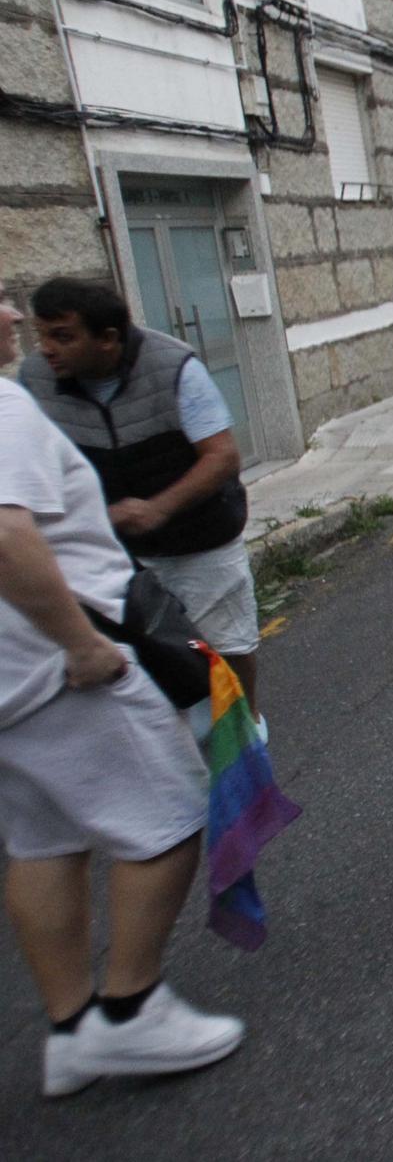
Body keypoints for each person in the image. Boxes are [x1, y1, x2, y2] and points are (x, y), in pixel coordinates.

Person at [0, 276, 244, 1098]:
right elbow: (6, 533)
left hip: (8, 677)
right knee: (173, 810)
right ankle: (131, 1008)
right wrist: (80, 644)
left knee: (42, 838)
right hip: (57, 659)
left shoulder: (158, 368)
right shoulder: (3, 406)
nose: (15, 321)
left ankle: (71, 1029)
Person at [21, 278, 263, 716]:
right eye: (41, 335)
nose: (46, 349)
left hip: (199, 540)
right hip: (115, 552)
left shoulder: (173, 366)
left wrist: (158, 508)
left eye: (62, 336)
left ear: (108, 339)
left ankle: (247, 730)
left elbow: (222, 456)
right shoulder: (35, 380)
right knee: (144, 654)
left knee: (224, 644)